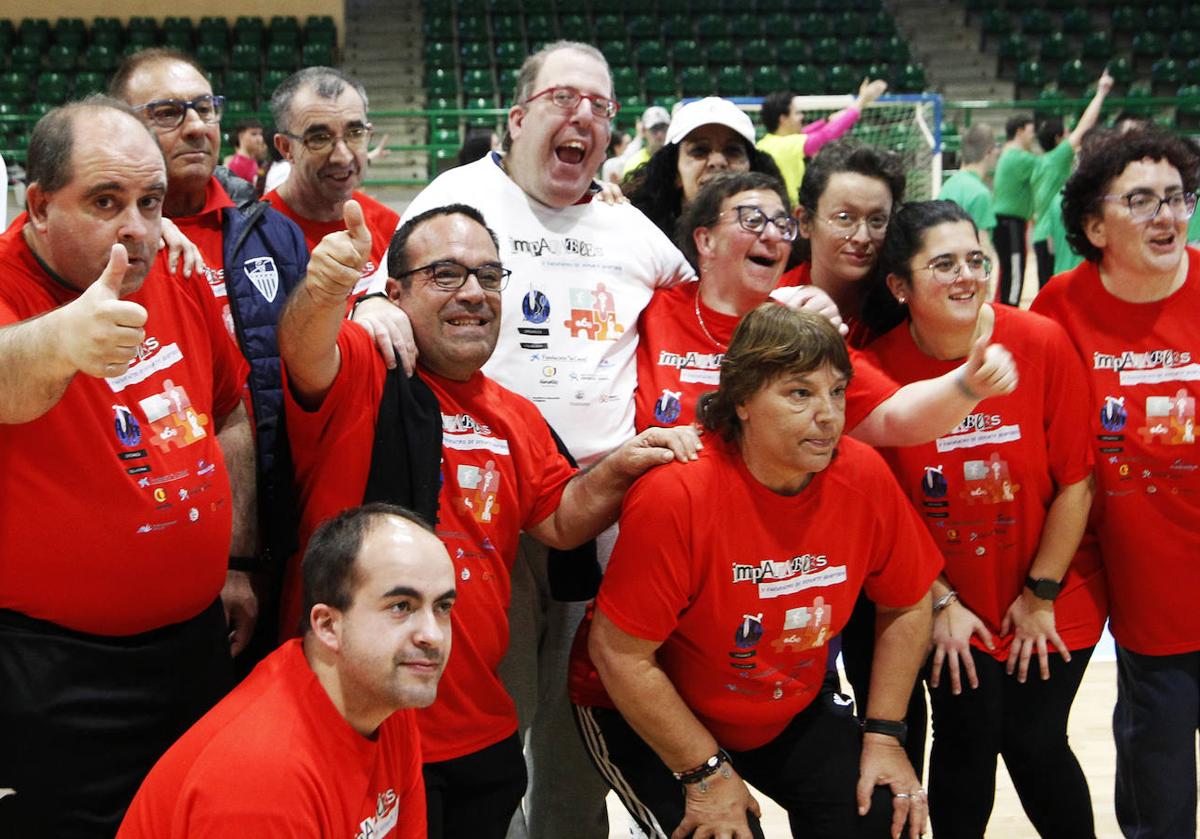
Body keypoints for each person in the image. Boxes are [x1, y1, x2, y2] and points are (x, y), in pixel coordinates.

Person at [277, 201, 699, 839]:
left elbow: (558, 520)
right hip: (363, 725)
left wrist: (625, 463)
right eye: (445, 275)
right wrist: (335, 288)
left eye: (489, 276)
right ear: (396, 292)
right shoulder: (367, 369)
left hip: (480, 729)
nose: (473, 293)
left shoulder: (514, 415)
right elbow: (304, 347)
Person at [383, 40, 698, 839]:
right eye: (565, 97)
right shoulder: (458, 194)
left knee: (576, 717)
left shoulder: (631, 228)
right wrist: (370, 307)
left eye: (601, 107)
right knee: (490, 704)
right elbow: (386, 291)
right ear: (517, 117)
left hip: (604, 507)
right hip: (482, 512)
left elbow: (708, 305)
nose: (583, 116)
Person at [570, 304, 943, 839]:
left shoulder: (862, 474)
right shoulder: (678, 493)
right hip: (644, 709)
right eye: (799, 393)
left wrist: (885, 734)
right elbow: (619, 654)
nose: (829, 414)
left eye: (836, 392)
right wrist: (703, 771)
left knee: (878, 812)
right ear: (742, 399)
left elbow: (907, 601)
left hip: (782, 705)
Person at [0, 98, 252, 837]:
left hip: (195, 645)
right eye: (105, 202)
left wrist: (237, 559)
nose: (135, 228)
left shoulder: (173, 267)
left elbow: (231, 411)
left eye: (149, 201)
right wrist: (62, 341)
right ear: (39, 205)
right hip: (59, 673)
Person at [861, 200, 1101, 838]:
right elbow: (887, 513)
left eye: (975, 259)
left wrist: (1040, 595)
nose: (966, 275)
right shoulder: (877, 371)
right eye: (944, 264)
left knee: (1033, 739)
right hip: (946, 597)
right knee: (966, 735)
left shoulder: (1039, 342)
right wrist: (939, 602)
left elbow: (1077, 482)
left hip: (1054, 586)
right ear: (899, 287)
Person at [112, 48, 314, 664]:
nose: (198, 125)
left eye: (205, 107)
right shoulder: (92, 248)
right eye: (169, 112)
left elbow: (304, 367)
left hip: (268, 527)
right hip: (144, 540)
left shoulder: (268, 229)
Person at [1029, 125, 1200, 839]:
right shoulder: (1059, 309)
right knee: (1161, 790)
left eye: (1177, 196)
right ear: (1094, 225)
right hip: (1149, 588)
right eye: (1141, 201)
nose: (1166, 215)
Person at [118, 503, 449, 838]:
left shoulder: (386, 705)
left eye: (443, 607)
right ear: (328, 625)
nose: (433, 635)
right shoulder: (263, 777)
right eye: (400, 607)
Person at [636, 172, 1019, 445]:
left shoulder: (802, 328)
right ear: (705, 239)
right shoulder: (650, 309)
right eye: (752, 220)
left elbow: (892, 419)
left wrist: (967, 385)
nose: (771, 235)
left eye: (781, 224)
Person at [266, 66, 400, 296]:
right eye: (319, 138)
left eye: (355, 133)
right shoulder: (257, 239)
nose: (343, 156)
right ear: (286, 147)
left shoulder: (389, 226)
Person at [781, 139, 906, 348]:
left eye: (877, 220)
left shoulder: (905, 300)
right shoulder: (775, 304)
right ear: (804, 221)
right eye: (845, 218)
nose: (862, 237)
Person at [626, 96, 783, 243]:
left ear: (752, 169)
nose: (718, 162)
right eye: (699, 151)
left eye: (732, 151)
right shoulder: (638, 243)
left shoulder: (777, 244)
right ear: (675, 172)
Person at [1031, 70, 1113, 288]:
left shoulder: (1040, 162)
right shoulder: (1058, 158)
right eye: (1068, 134)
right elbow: (1085, 125)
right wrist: (1101, 93)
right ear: (1059, 139)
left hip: (1043, 233)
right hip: (1054, 233)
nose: (1072, 138)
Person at [756, 78, 889, 204]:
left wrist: (860, 102)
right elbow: (827, 134)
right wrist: (861, 100)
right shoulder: (789, 145)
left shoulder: (766, 143)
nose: (801, 116)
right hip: (789, 211)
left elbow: (823, 125)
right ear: (783, 119)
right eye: (796, 113)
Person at [937, 124, 1001, 271]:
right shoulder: (980, 193)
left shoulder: (949, 185)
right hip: (969, 273)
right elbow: (982, 246)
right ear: (989, 151)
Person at [992, 114, 1038, 306]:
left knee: (1009, 273)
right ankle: (1010, 315)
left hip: (1006, 223)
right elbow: (1050, 164)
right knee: (1015, 273)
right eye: (1030, 132)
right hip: (1011, 224)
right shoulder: (1019, 157)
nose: (1033, 137)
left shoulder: (1007, 154)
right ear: (1019, 131)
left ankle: (1004, 313)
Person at [619, 105, 670, 179]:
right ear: (643, 131)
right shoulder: (634, 164)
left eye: (663, 128)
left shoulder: (679, 160)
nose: (660, 134)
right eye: (654, 129)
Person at [225, 117, 266, 186]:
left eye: (260, 134)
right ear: (241, 136)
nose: (259, 139)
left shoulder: (252, 160)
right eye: (254, 134)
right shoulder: (237, 165)